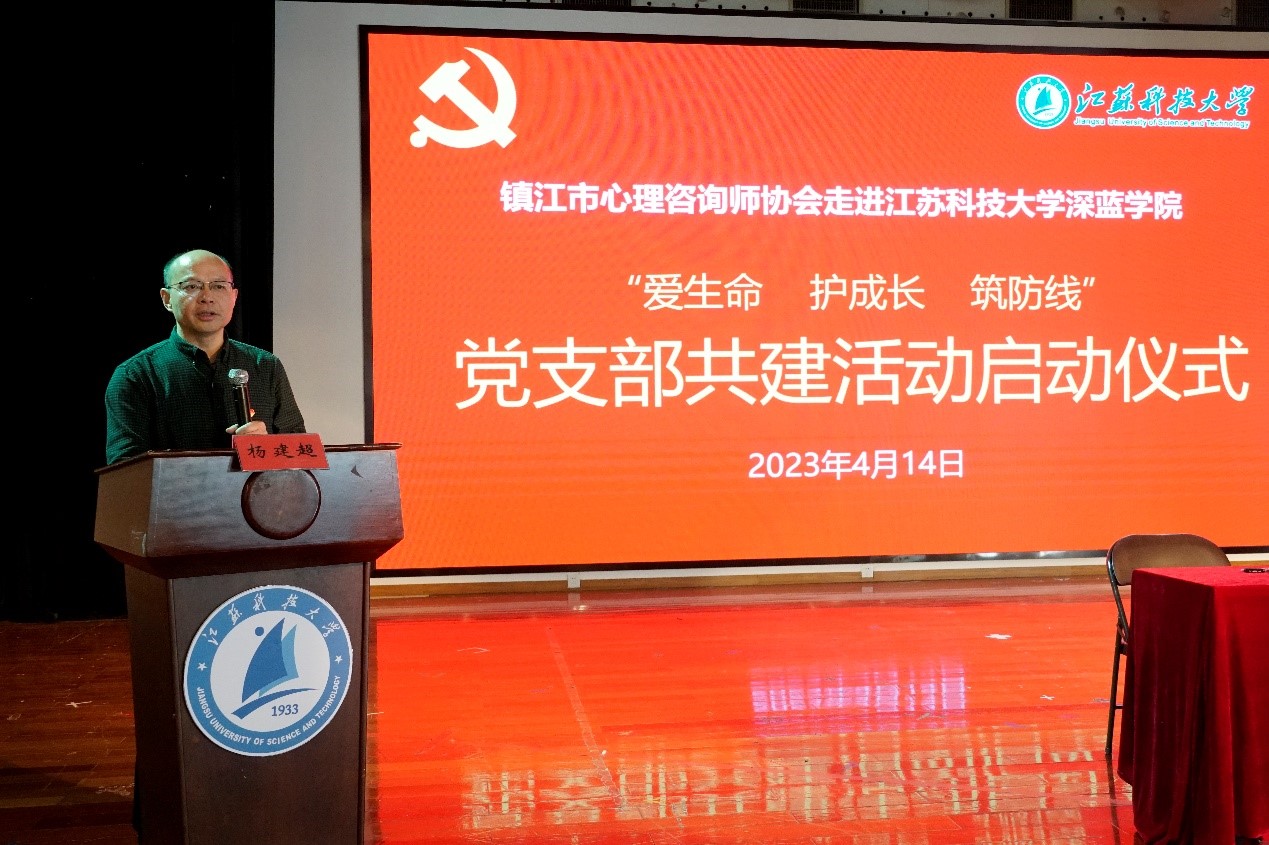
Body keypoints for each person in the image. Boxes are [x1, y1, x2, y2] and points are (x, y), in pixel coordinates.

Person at [105, 248, 307, 465]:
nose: (207, 297)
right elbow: (125, 470)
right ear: (167, 299)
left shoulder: (265, 366)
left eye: (218, 286)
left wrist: (265, 447)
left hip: (256, 488)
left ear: (234, 296)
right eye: (192, 286)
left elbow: (302, 453)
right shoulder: (135, 375)